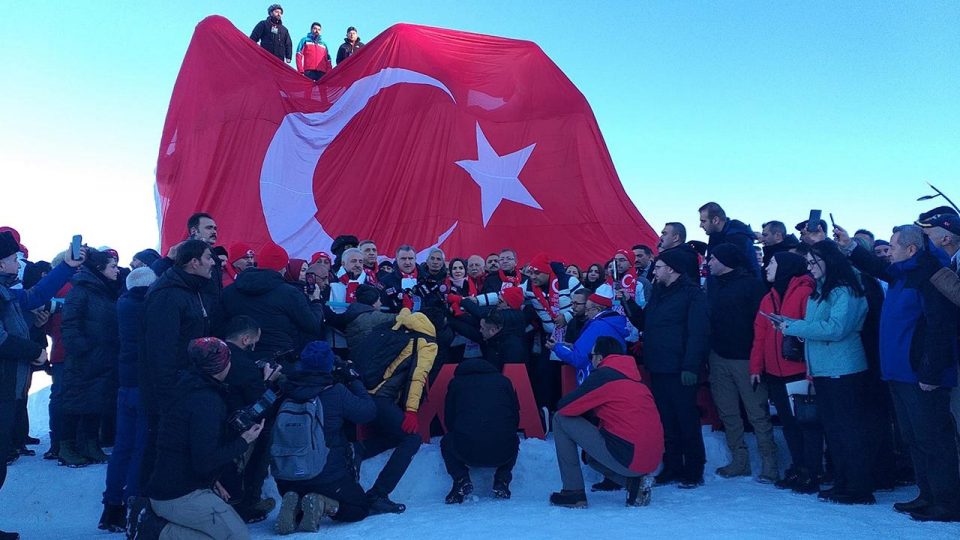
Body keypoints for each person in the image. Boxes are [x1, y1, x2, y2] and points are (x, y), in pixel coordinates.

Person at [837, 224, 960, 520]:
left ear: (911, 249)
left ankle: (947, 502)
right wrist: (848, 247)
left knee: (934, 439)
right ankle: (927, 494)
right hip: (898, 372)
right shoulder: (902, 272)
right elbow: (876, 266)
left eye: (892, 247)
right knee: (914, 438)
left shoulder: (929, 277)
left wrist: (931, 373)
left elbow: (940, 329)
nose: (888, 252)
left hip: (921, 375)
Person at [775, 240, 874, 505]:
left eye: (812, 262)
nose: (808, 267)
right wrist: (793, 324)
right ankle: (843, 481)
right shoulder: (821, 290)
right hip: (824, 368)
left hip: (844, 369)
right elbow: (817, 325)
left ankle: (859, 486)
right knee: (834, 430)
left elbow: (836, 328)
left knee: (848, 431)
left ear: (827, 261)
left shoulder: (845, 290)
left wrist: (795, 328)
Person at [0, 233, 83, 540]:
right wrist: (34, 351)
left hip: (8, 385)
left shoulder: (7, 291)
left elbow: (35, 296)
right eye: (12, 259)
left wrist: (67, 267)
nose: (17, 263)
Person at [140, 338, 265, 540]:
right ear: (222, 365)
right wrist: (244, 441)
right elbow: (204, 459)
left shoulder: (186, 387)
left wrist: (211, 480)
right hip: (178, 493)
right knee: (237, 536)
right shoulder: (206, 402)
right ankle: (155, 530)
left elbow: (186, 446)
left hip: (172, 484)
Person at [139, 239, 218, 492]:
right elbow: (161, 348)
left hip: (189, 382)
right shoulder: (168, 294)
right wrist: (168, 391)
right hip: (171, 388)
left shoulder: (193, 289)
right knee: (160, 449)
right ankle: (143, 508)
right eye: (208, 258)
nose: (213, 263)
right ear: (193, 262)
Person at [549, 337, 664, 508]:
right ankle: (635, 485)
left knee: (560, 419)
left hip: (628, 454)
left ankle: (573, 492)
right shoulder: (635, 379)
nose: (590, 359)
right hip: (651, 457)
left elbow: (565, 406)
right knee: (592, 458)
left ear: (600, 358)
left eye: (591, 355)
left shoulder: (604, 375)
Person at [274, 341, 376, 533]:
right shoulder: (335, 392)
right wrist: (354, 380)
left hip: (287, 475)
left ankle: (294, 502)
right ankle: (323, 504)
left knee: (298, 491)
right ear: (329, 365)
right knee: (360, 507)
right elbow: (367, 412)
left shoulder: (285, 388)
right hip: (326, 476)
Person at [628, 248, 708, 488]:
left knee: (686, 419)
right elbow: (646, 322)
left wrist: (691, 366)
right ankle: (672, 466)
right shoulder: (659, 292)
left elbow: (698, 333)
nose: (655, 270)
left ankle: (694, 469)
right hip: (659, 365)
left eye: (659, 266)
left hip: (681, 367)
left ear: (672, 269)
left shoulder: (693, 294)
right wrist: (629, 304)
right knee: (667, 420)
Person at [703, 244, 776, 481]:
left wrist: (758, 359)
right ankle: (739, 460)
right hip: (718, 356)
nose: (709, 262)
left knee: (757, 413)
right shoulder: (714, 286)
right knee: (728, 412)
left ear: (726, 261)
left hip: (746, 359)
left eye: (713, 258)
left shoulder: (753, 286)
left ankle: (769, 462)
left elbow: (763, 325)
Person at [354, 309, 436, 514]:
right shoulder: (426, 342)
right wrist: (411, 411)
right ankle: (378, 494)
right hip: (381, 398)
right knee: (411, 439)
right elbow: (418, 378)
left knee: (394, 435)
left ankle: (353, 451)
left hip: (361, 392)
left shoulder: (392, 329)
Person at [749, 252, 819, 491]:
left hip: (798, 370)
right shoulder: (768, 297)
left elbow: (811, 333)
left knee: (807, 425)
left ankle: (811, 471)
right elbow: (760, 335)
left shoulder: (804, 292)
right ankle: (799, 467)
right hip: (775, 372)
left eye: (772, 263)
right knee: (789, 424)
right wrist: (756, 367)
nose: (767, 266)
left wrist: (811, 370)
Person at [99, 267, 156, 532]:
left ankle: (111, 506)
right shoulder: (149, 309)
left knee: (122, 447)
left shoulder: (123, 305)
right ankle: (131, 505)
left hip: (125, 382)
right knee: (140, 448)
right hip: (145, 384)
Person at [60, 249, 122, 468]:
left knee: (94, 401)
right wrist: (82, 348)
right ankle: (66, 447)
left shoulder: (103, 290)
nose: (117, 270)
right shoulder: (81, 291)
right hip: (85, 358)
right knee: (75, 402)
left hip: (101, 357)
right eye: (113, 266)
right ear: (100, 269)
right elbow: (70, 323)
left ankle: (90, 444)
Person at [441, 356, 520, 504]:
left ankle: (461, 478)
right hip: (502, 450)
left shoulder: (456, 383)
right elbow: (515, 416)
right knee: (513, 438)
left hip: (466, 449)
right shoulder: (504, 381)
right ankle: (502, 479)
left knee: (446, 441)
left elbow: (448, 419)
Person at [223, 249, 323, 360]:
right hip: (280, 359)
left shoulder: (229, 291)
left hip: (240, 357)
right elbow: (312, 325)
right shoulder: (289, 293)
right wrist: (315, 301)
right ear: (283, 268)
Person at [550, 284, 628, 384]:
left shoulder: (597, 326)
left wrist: (557, 347)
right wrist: (573, 346)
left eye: (587, 309)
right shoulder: (613, 323)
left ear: (598, 309)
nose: (586, 313)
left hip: (596, 381)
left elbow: (578, 358)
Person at [699, 202, 761, 277]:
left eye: (703, 221)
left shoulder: (738, 238)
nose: (701, 225)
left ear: (715, 220)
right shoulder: (715, 236)